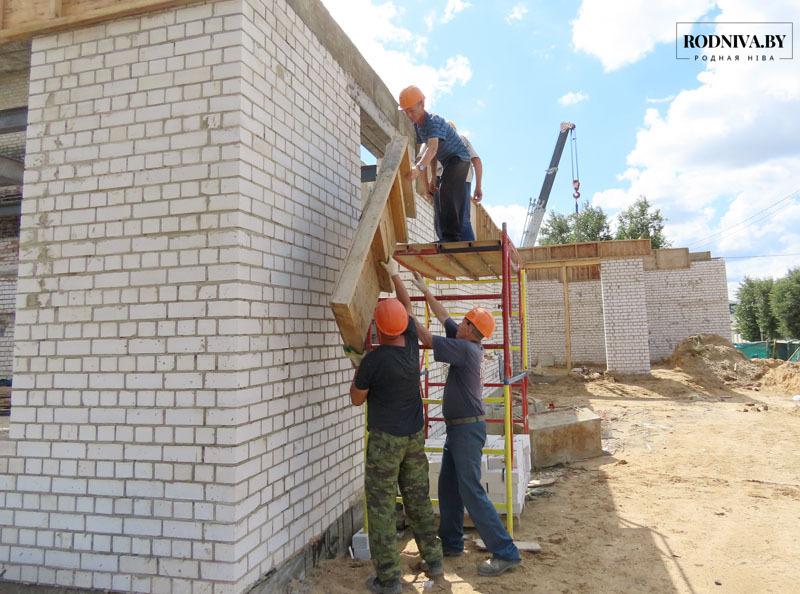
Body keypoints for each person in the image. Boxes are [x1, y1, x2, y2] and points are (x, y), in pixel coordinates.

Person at [393, 269, 522, 577]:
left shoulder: (465, 349)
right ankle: (451, 542)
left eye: (465, 321)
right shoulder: (465, 339)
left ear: (472, 330)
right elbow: (444, 317)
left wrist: (404, 313)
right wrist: (425, 290)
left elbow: (426, 338)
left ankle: (505, 551)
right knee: (448, 488)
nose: (460, 323)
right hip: (458, 429)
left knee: (471, 490)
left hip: (466, 430)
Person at [347, 259, 444, 594]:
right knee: (418, 499)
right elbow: (406, 308)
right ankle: (434, 562)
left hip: (385, 443)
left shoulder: (373, 361)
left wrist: (358, 368)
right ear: (402, 326)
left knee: (381, 507)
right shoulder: (411, 345)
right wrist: (394, 275)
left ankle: (389, 579)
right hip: (413, 437)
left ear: (378, 328)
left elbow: (356, 399)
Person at [398, 85, 471, 242]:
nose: (409, 115)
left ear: (422, 104)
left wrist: (418, 168)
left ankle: (452, 237)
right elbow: (433, 154)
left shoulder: (433, 121)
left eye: (412, 110)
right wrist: (433, 178)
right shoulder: (418, 127)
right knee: (441, 194)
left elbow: (432, 149)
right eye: (406, 112)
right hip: (448, 162)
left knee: (447, 191)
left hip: (460, 158)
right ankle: (448, 236)